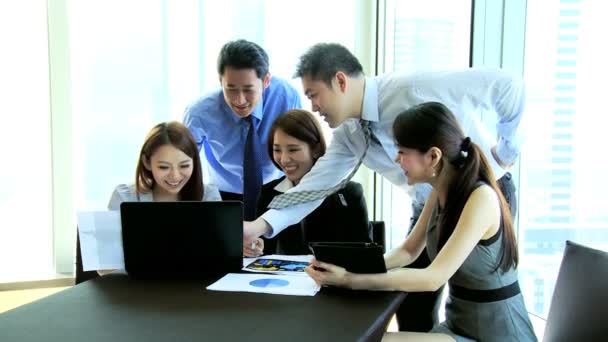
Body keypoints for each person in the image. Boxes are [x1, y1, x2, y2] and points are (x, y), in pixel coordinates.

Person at [244, 43, 525, 332]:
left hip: (478, 193)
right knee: (412, 307)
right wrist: (260, 226)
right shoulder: (350, 133)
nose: (313, 107)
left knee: (472, 287)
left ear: (340, 81)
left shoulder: (413, 88)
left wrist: (506, 152)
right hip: (430, 201)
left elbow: (507, 85)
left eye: (314, 95)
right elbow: (315, 187)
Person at [305, 102, 537, 342]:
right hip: (460, 325)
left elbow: (433, 277)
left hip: (498, 334)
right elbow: (408, 251)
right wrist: (351, 269)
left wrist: (351, 281)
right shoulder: (439, 191)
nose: (397, 159)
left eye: (403, 152)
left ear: (433, 156)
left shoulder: (481, 198)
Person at [183, 39, 302, 221]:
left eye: (248, 90)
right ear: (220, 80)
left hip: (278, 189)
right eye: (231, 89)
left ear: (266, 81)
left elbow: (301, 150)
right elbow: (183, 163)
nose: (239, 100)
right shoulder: (200, 112)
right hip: (224, 196)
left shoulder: (286, 97)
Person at [245, 109, 371, 257]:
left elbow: (364, 251)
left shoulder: (348, 193)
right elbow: (265, 250)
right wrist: (253, 248)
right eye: (277, 150)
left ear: (316, 149)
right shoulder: (268, 192)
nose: (284, 159)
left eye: (293, 150)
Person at [108, 121, 221, 209]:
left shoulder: (209, 197)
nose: (175, 176)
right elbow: (108, 238)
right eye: (164, 167)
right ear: (147, 162)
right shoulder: (125, 198)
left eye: (184, 166)